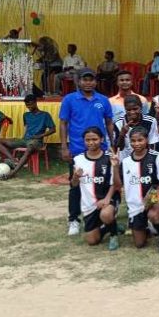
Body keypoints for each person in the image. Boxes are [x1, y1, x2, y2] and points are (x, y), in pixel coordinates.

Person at [59, 68, 114, 236]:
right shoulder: (69, 99)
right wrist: (64, 146)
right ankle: (74, 219)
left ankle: (102, 216)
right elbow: (63, 123)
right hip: (78, 149)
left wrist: (112, 144)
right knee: (75, 185)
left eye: (91, 80)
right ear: (78, 81)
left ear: (96, 82)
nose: (88, 83)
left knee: (103, 183)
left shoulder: (103, 100)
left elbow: (109, 122)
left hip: (101, 150)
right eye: (85, 79)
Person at [113, 127, 159, 253]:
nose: (136, 143)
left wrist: (149, 199)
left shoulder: (157, 157)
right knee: (139, 244)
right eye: (133, 141)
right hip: (135, 206)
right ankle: (148, 226)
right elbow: (118, 185)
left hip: (155, 199)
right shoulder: (126, 162)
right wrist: (115, 167)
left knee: (153, 214)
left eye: (140, 140)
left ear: (147, 140)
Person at [73, 127, 121, 251]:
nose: (91, 142)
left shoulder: (109, 158)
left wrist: (107, 198)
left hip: (107, 199)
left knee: (106, 214)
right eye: (87, 140)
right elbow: (74, 184)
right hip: (89, 204)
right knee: (92, 241)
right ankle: (110, 227)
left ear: (102, 139)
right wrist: (75, 177)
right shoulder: (78, 159)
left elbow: (116, 184)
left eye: (94, 139)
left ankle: (113, 235)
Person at [0, 94, 55, 179]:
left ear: (35, 102)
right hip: (25, 140)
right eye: (27, 105)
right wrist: (22, 139)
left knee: (30, 148)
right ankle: (14, 160)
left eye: (30, 104)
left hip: (37, 141)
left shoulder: (45, 115)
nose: (29, 107)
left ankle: (13, 173)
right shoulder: (26, 115)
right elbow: (27, 128)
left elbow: (53, 129)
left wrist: (40, 135)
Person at [113, 95, 159, 161]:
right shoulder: (118, 123)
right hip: (125, 160)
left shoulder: (150, 121)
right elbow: (119, 148)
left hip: (144, 160)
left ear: (141, 107)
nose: (132, 112)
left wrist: (150, 160)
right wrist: (122, 134)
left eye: (135, 109)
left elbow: (152, 143)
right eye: (128, 110)